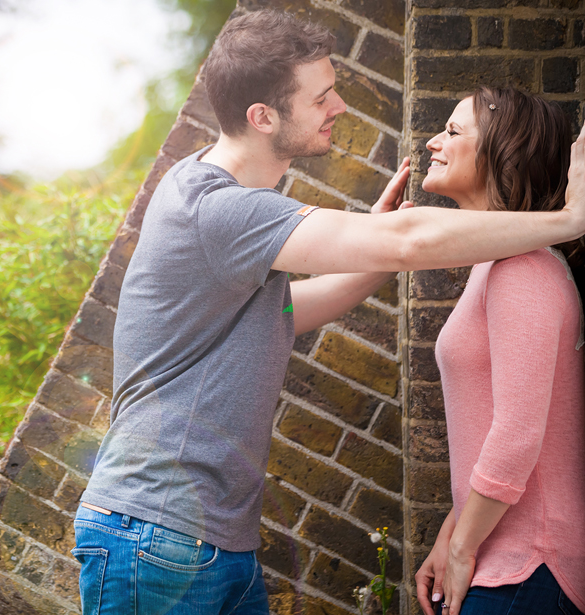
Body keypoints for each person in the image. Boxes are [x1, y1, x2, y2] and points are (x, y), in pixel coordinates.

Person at [73, 9, 585, 615]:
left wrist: (375, 253)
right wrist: (571, 218)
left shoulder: (202, 194)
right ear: (263, 118)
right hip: (157, 536)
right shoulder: (218, 208)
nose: (340, 106)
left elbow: (286, 309)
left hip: (208, 544)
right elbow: (410, 241)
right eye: (321, 98)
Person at [413, 88, 585, 615]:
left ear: (499, 153)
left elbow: (517, 435)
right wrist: (450, 534)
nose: (432, 142)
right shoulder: (497, 264)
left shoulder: (522, 271)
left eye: (453, 132)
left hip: (529, 568)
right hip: (502, 562)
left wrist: (463, 548)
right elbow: (491, 426)